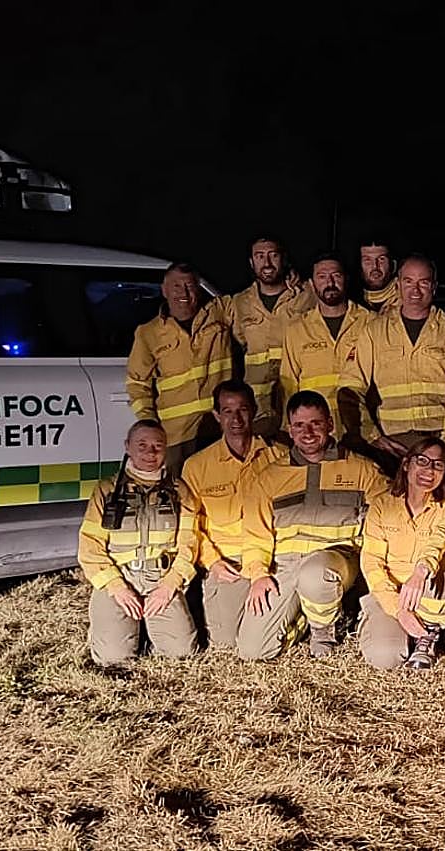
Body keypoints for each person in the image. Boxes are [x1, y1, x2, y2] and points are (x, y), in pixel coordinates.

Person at [239, 391, 390, 659]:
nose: (307, 432)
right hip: (285, 566)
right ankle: (304, 621)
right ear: (289, 429)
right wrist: (259, 574)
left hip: (336, 560)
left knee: (315, 572)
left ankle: (324, 630)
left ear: (330, 425)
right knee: (254, 650)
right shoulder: (269, 477)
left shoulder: (362, 469)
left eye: (315, 423)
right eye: (299, 425)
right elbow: (255, 533)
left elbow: (386, 522)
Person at [77, 420, 200, 664]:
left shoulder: (180, 491)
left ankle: (146, 624)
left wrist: (169, 586)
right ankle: (113, 626)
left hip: (161, 580)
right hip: (121, 579)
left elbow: (190, 545)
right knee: (113, 658)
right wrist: (117, 587)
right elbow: (89, 547)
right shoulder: (106, 491)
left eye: (157, 446)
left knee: (182, 653)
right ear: (127, 447)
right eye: (142, 445)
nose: (150, 453)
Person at [180, 380, 287, 649]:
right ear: (217, 416)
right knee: (226, 643)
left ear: (253, 411)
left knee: (258, 641)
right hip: (229, 564)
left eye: (242, 410)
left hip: (272, 558)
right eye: (227, 411)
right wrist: (213, 562)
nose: (236, 418)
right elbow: (190, 528)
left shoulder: (280, 457)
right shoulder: (197, 466)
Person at [338, 252, 445, 464]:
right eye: (408, 282)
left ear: (434, 286)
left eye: (423, 282)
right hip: (391, 447)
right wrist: (372, 437)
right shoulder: (374, 331)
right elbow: (350, 389)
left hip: (438, 440)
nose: (415, 290)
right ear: (398, 284)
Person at [359, 438, 445, 670]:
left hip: (426, 589)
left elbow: (440, 540)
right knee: (385, 657)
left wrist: (420, 571)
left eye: (438, 465)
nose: (429, 470)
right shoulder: (382, 506)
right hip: (391, 595)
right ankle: (388, 627)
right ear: (406, 465)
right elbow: (372, 562)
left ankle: (429, 634)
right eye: (422, 461)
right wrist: (398, 609)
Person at [126, 263, 233, 474]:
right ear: (164, 290)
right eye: (176, 286)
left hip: (220, 429)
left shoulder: (220, 312)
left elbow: (255, 301)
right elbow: (137, 384)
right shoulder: (148, 333)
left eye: (189, 286)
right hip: (178, 436)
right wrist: (150, 427)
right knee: (181, 495)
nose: (183, 293)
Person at [216, 236, 315, 438]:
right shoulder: (239, 303)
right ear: (252, 263)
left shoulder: (307, 295)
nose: (267, 263)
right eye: (260, 257)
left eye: (273, 255)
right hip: (257, 406)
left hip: (295, 400)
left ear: (284, 260)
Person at [280, 253, 373, 438]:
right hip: (314, 433)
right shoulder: (297, 329)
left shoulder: (371, 322)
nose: (330, 282)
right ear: (312, 284)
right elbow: (288, 386)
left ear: (346, 279)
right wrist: (287, 431)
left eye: (336, 275)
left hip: (362, 430)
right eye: (322, 277)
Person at [359, 238, 399, 313]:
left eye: (381, 259)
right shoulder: (350, 304)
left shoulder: (406, 299)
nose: (375, 266)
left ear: (393, 265)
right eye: (367, 260)